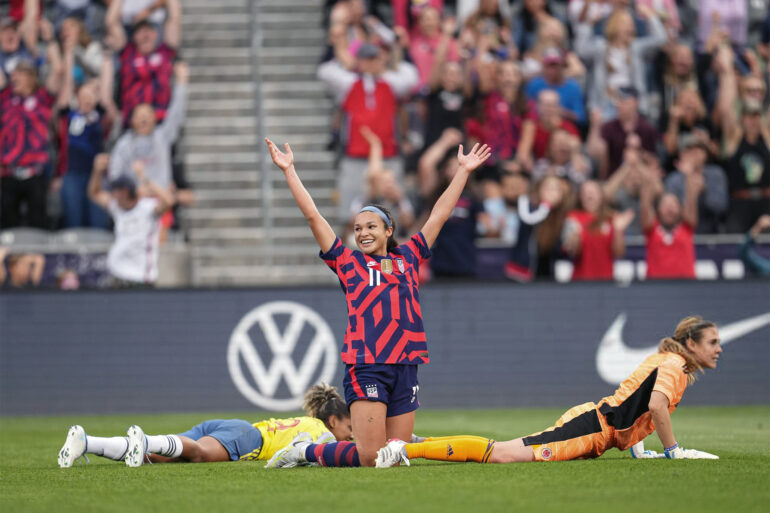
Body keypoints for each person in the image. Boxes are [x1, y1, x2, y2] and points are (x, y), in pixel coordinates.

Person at [263, 136, 491, 468]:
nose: (363, 233)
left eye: (371, 226)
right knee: (371, 457)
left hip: (406, 363)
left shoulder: (408, 257)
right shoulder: (347, 262)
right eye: (357, 228)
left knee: (393, 457)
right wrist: (289, 170)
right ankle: (306, 450)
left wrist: (463, 171)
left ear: (389, 230)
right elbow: (313, 216)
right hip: (366, 364)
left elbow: (439, 215)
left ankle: (343, 449)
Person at [375, 316, 722, 466]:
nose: (718, 348)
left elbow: (633, 401)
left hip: (594, 424)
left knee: (502, 452)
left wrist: (637, 450)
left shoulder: (664, 358)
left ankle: (417, 445)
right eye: (712, 342)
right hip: (592, 429)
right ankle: (405, 449)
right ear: (690, 343)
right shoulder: (675, 366)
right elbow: (657, 407)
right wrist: (674, 451)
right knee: (502, 455)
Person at [57, 384, 352, 468]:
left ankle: (87, 441)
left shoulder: (310, 422)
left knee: (159, 455)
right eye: (350, 426)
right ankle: (144, 440)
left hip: (236, 427)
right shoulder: (322, 432)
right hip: (249, 439)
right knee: (197, 454)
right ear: (334, 420)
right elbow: (313, 451)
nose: (352, 433)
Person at [88, 158, 174, 287]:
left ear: (125, 191)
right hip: (118, 275)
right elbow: (94, 193)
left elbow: (169, 200)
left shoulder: (147, 208)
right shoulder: (116, 207)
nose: (112, 194)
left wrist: (144, 178)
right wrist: (97, 171)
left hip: (140, 278)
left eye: (115, 190)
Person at [640, 159, 701, 280]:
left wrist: (688, 176)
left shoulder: (687, 228)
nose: (669, 209)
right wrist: (649, 181)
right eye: (665, 205)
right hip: (656, 289)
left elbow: (691, 202)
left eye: (673, 205)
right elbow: (645, 206)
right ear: (658, 210)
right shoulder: (652, 229)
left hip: (685, 287)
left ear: (680, 210)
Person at [562, 180, 634, 281]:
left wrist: (618, 230)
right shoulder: (573, 218)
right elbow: (573, 252)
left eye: (593, 192)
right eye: (585, 193)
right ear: (580, 198)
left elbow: (619, 253)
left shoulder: (612, 218)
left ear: (601, 196)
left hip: (607, 280)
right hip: (581, 280)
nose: (589, 196)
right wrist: (575, 235)